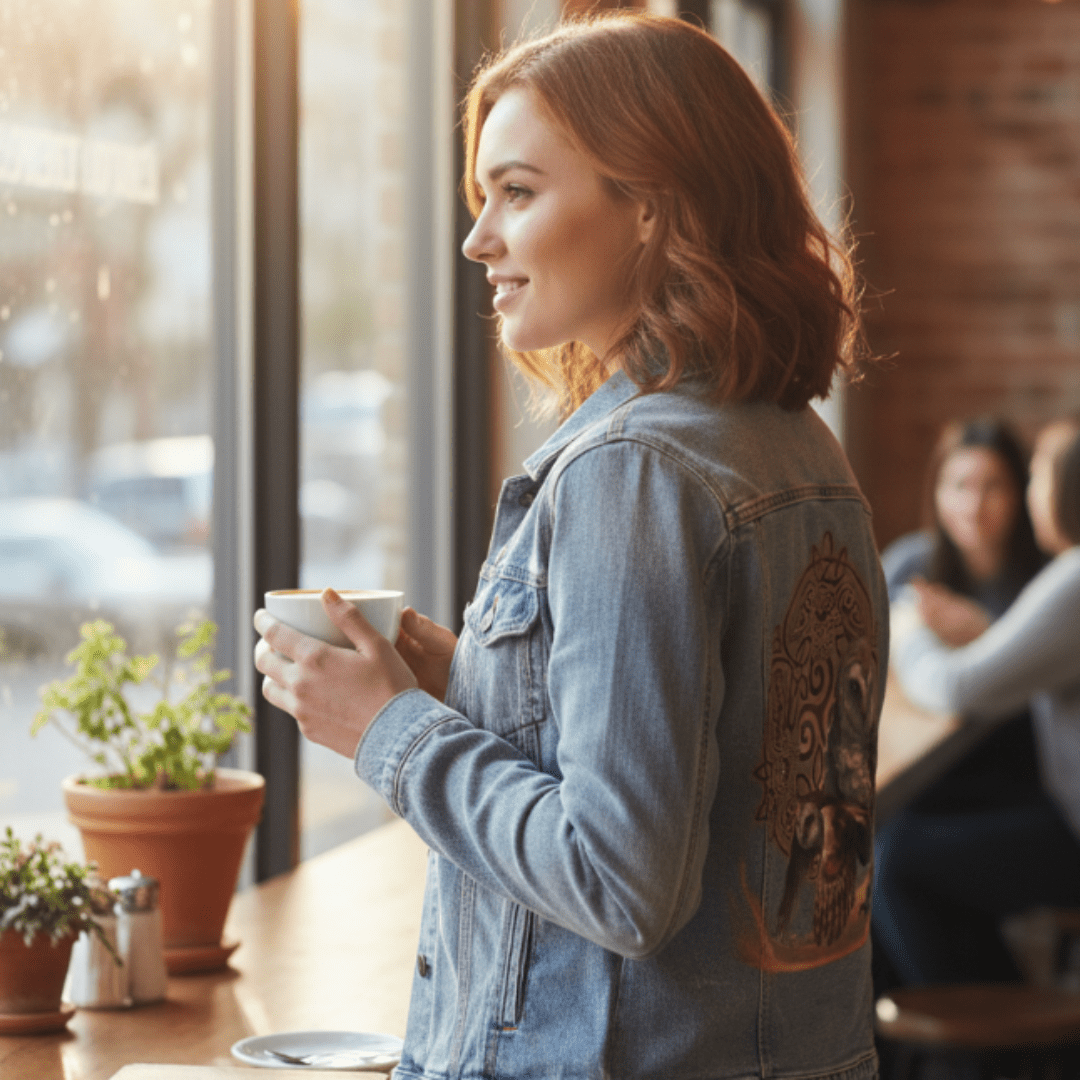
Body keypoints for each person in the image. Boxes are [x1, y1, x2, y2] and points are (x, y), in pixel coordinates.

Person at [254, 13, 887, 1080]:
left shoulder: (631, 471)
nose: (476, 241)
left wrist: (387, 729)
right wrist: (469, 680)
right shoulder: (797, 448)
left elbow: (618, 881)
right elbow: (716, 766)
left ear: (650, 204)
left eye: (518, 191)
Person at [878, 419, 1080, 987]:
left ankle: (978, 1051)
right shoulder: (1066, 578)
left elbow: (959, 687)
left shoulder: (1071, 578)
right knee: (901, 841)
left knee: (892, 861)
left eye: (1034, 475)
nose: (979, 503)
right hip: (1059, 809)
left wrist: (911, 623)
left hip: (1068, 822)